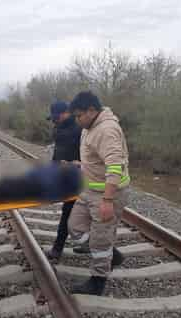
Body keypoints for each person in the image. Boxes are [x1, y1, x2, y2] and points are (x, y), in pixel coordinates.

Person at [67, 91, 130, 295]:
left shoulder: (107, 129)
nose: (77, 120)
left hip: (107, 193)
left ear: (92, 110)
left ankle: (97, 281)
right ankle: (113, 256)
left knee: (100, 240)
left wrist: (107, 200)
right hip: (89, 189)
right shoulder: (90, 126)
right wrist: (81, 165)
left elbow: (114, 167)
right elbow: (96, 158)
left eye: (79, 115)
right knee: (75, 228)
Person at [45, 101, 82, 260]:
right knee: (72, 213)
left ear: (66, 113)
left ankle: (57, 248)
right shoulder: (57, 128)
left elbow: (88, 154)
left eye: (57, 117)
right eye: (53, 118)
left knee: (69, 213)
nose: (54, 120)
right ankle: (87, 244)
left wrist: (78, 166)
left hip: (80, 177)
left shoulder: (80, 128)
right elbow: (58, 153)